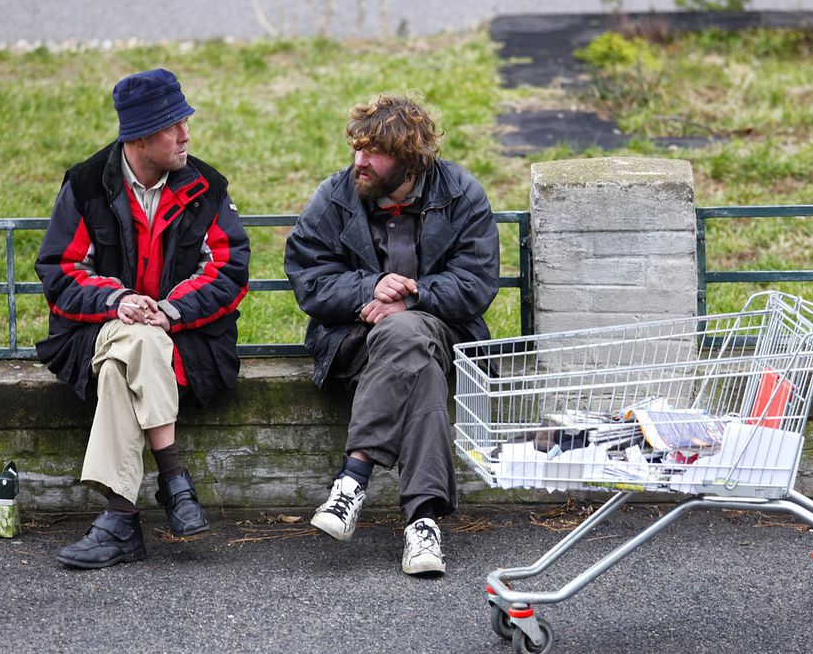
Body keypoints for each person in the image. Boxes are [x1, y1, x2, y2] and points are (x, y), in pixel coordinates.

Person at [35, 68, 250, 569]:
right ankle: (173, 480)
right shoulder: (87, 185)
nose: (186, 135)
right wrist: (118, 302)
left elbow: (229, 269)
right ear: (139, 135)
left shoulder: (206, 186)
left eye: (184, 122)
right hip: (95, 331)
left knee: (124, 363)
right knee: (133, 339)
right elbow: (61, 270)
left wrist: (168, 311)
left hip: (190, 343)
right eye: (173, 124)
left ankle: (120, 520)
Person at [284, 94, 500, 576]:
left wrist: (413, 296)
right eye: (356, 149)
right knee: (416, 365)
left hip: (443, 333)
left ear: (407, 158)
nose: (358, 161)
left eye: (372, 153)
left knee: (409, 333)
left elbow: (477, 283)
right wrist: (368, 287)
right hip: (354, 341)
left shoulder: (461, 193)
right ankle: (423, 524)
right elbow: (308, 277)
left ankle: (352, 479)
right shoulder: (336, 195)